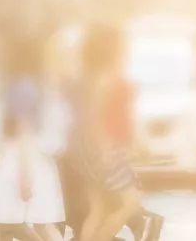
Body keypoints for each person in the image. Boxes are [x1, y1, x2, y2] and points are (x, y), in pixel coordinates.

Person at [0, 35, 68, 241]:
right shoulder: (34, 85)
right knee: (32, 226)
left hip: (20, 161)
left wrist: (24, 176)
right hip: (32, 160)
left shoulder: (21, 87)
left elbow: (24, 131)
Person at [74, 25, 144, 241]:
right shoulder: (103, 78)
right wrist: (104, 150)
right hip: (107, 148)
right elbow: (96, 116)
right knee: (130, 202)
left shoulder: (101, 75)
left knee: (99, 208)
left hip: (102, 148)